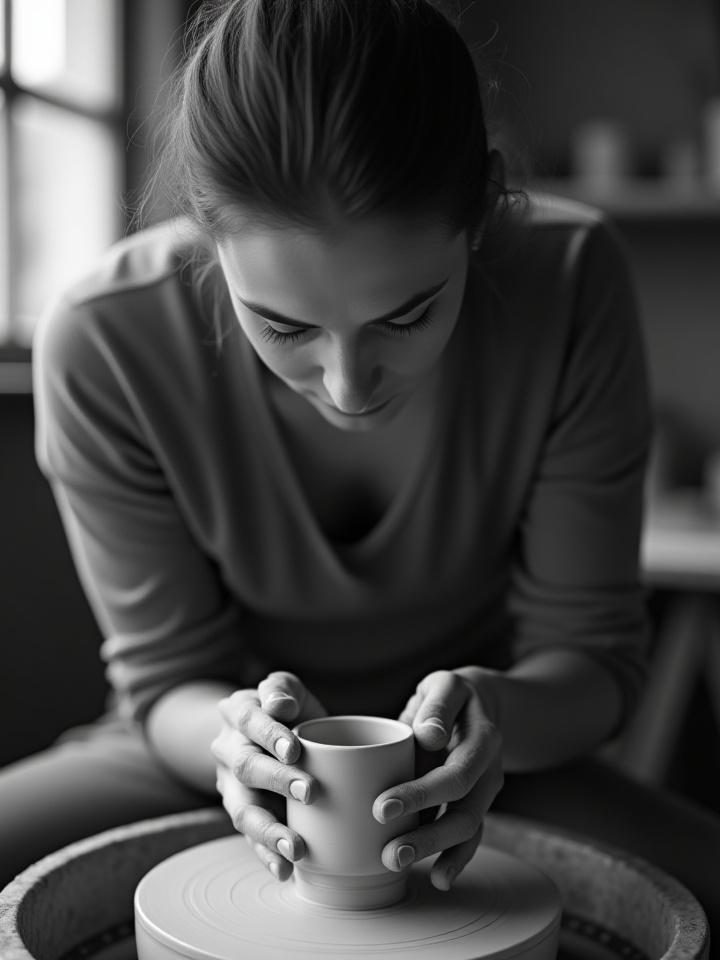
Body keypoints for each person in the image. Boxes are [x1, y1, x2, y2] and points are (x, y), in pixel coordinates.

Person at [2, 0, 720, 948]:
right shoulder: (106, 339)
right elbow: (165, 681)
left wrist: (495, 712)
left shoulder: (569, 280)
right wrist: (239, 740)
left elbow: (590, 661)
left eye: (407, 314)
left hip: (492, 760)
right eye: (285, 328)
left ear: (481, 211)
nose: (345, 385)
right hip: (206, 756)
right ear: (208, 241)